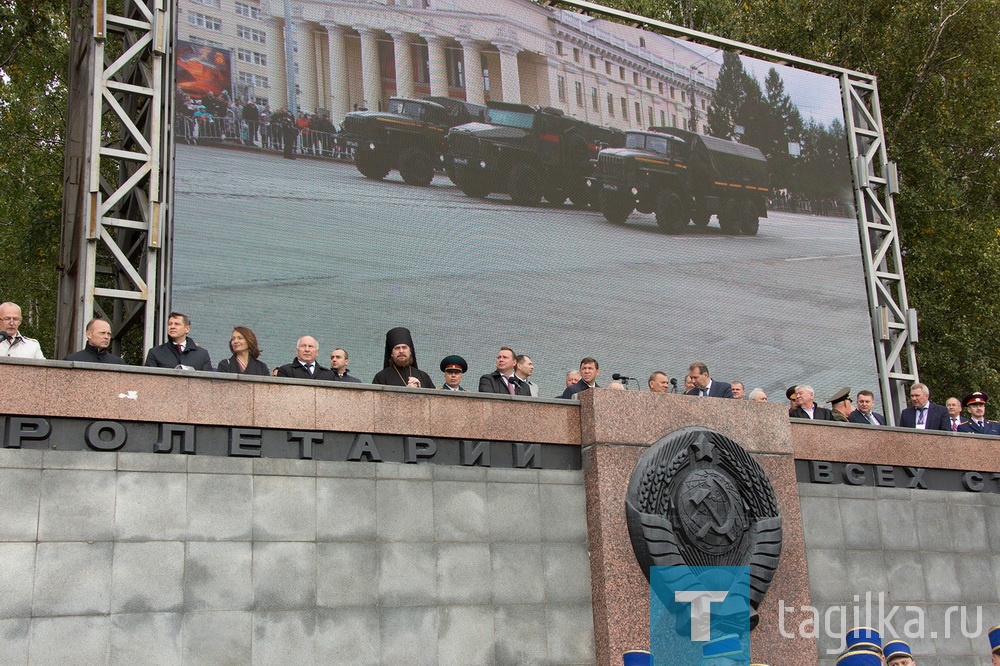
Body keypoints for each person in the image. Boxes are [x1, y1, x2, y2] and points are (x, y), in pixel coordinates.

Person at [144, 312, 212, 370]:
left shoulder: (202, 354)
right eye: (170, 324)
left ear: (187, 329)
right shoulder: (155, 353)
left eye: (177, 324)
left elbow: (208, 382)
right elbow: (149, 381)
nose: (172, 327)